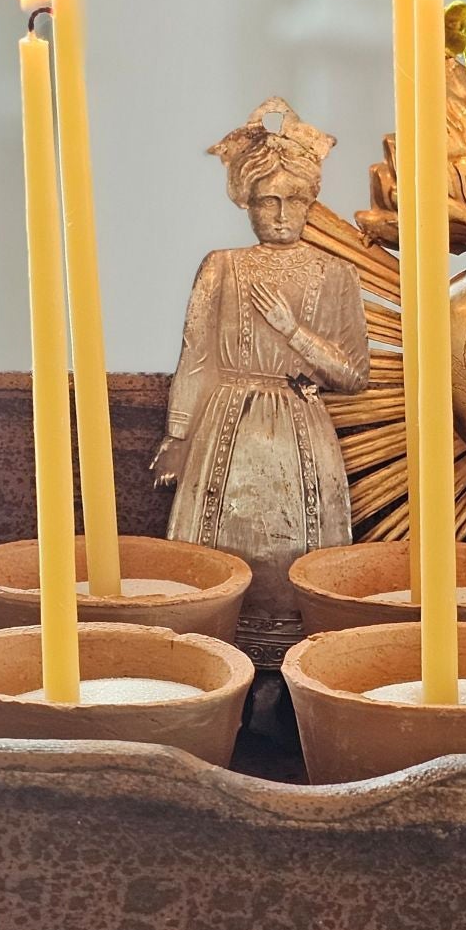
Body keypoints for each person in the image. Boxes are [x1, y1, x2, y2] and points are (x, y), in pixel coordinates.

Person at [152, 99, 369, 656]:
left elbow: (353, 374)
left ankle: (294, 664)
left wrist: (294, 331)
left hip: (302, 431)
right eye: (266, 200)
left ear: (310, 202)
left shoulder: (335, 273)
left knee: (298, 551)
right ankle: (215, 659)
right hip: (227, 425)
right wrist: (178, 437)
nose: (279, 213)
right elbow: (197, 354)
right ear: (246, 202)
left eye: (293, 200)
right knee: (221, 548)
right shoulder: (222, 266)